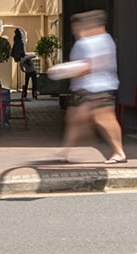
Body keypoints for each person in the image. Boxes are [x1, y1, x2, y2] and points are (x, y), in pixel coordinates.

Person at [54, 9, 126, 164]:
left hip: (98, 88)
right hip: (82, 89)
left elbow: (92, 65)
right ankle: (65, 152)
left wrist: (63, 71)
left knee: (104, 120)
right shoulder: (83, 42)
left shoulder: (102, 40)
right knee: (73, 119)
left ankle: (119, 152)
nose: (74, 30)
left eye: (77, 26)